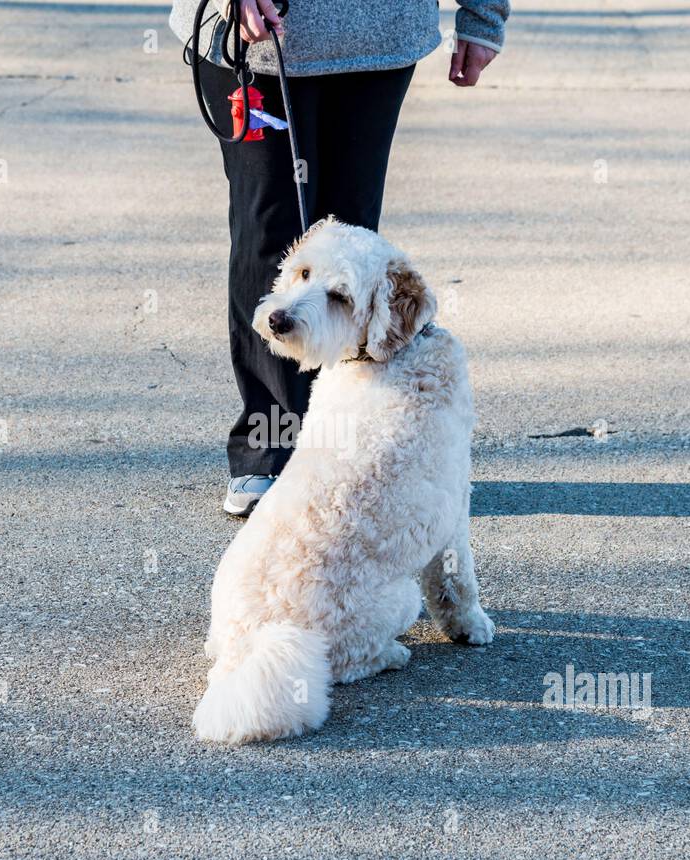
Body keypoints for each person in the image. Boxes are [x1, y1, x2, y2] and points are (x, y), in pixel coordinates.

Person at [170, 0, 509, 515]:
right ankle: (271, 448)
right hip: (255, 39)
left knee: (350, 251)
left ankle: (342, 445)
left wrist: (483, 14)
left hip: (377, 36)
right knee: (269, 234)